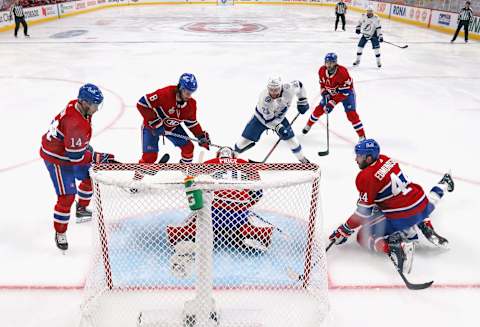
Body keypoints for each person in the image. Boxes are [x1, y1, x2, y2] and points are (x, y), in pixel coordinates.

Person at [328, 139, 454, 274]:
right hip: (419, 200)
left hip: (403, 216)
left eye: (359, 156)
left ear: (369, 158)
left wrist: (344, 229)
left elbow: (363, 214)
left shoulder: (365, 177)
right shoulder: (385, 159)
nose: (356, 159)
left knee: (363, 235)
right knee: (429, 201)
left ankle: (396, 247)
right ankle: (442, 189)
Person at [40, 84, 115, 251]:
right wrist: (97, 157)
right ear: (84, 102)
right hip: (57, 159)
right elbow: (75, 157)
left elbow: (76, 146)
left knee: (89, 176)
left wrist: (84, 147)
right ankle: (60, 232)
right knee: (67, 197)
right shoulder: (76, 123)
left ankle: (81, 209)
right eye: (94, 104)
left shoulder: (78, 106)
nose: (96, 109)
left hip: (66, 149)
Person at [167, 147, 272, 252]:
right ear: (233, 155)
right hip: (239, 215)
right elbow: (258, 193)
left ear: (218, 155)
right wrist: (246, 205)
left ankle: (181, 234)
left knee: (199, 212)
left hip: (213, 212)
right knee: (245, 218)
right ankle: (255, 234)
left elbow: (192, 185)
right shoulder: (245, 164)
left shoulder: (209, 163)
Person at [135, 73, 210, 170]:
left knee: (188, 148)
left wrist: (200, 135)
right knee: (150, 158)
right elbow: (141, 104)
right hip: (152, 128)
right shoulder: (165, 94)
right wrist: (156, 124)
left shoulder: (191, 104)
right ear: (180, 88)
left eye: (191, 93)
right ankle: (136, 180)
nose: (189, 96)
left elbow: (191, 123)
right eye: (187, 92)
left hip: (172, 128)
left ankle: (185, 172)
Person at [234, 77, 310, 163]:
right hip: (260, 120)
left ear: (281, 87)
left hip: (280, 119)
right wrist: (280, 128)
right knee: (243, 142)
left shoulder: (289, 88)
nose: (273, 93)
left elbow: (299, 85)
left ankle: (303, 160)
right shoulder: (265, 99)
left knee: (292, 141)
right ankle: (233, 157)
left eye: (276, 89)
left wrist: (302, 100)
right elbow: (269, 120)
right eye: (271, 89)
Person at [303, 53, 366, 142]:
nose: (329, 65)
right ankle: (308, 125)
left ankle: (362, 136)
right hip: (330, 93)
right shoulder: (321, 70)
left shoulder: (342, 72)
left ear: (335, 63)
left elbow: (344, 92)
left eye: (331, 63)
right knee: (319, 109)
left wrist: (331, 103)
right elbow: (322, 83)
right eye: (327, 62)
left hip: (346, 94)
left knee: (351, 115)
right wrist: (324, 92)